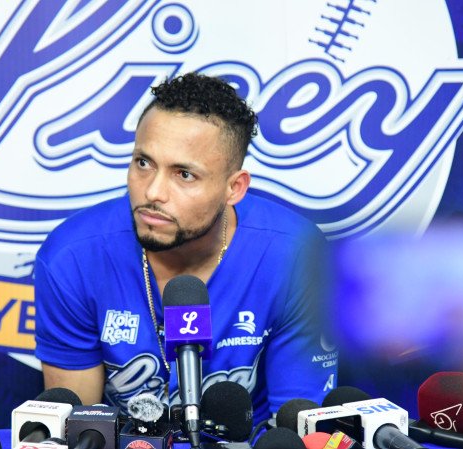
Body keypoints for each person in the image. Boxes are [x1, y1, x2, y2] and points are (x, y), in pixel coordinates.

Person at [33, 72, 336, 425]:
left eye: (184, 174)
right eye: (143, 163)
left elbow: (299, 426)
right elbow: (79, 431)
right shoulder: (72, 258)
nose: (153, 192)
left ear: (234, 188)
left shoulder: (296, 256)